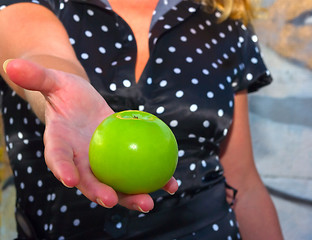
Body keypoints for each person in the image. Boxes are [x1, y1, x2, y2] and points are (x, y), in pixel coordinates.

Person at [0, 0, 284, 239]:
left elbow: (244, 182)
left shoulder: (225, 21)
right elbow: (38, 50)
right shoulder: (33, 4)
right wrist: (62, 89)